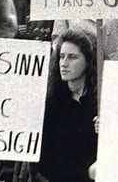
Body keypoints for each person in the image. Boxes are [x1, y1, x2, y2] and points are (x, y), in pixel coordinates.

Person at [35, 29, 98, 182]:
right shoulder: (51, 104)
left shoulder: (100, 103)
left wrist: (108, 131)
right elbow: (44, 164)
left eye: (72, 57)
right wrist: (87, 171)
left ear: (88, 60)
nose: (64, 63)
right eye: (61, 57)